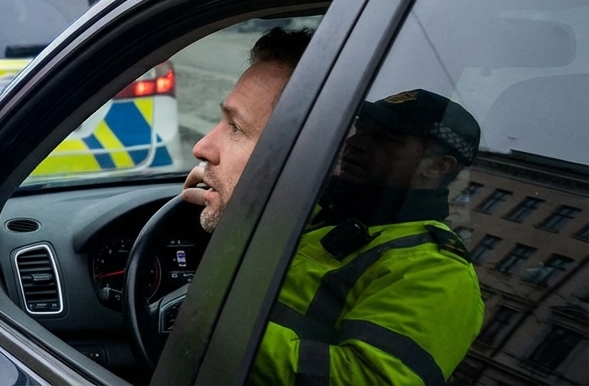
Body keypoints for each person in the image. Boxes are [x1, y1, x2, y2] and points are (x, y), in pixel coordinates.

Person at [181, 28, 483, 384]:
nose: (357, 143)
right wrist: (239, 198)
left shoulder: (436, 270)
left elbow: (363, 379)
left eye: (384, 139)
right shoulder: (324, 210)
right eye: (361, 129)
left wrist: (205, 318)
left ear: (436, 167)